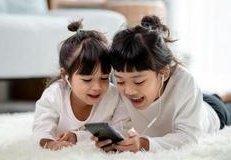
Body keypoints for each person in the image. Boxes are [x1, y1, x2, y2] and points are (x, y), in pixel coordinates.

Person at [93, 15, 231, 152]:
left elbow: (189, 137)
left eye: (139, 81)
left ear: (163, 73)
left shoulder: (184, 81)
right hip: (191, 99)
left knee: (223, 106)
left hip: (212, 111)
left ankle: (224, 98)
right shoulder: (119, 81)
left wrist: (144, 143)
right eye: (120, 81)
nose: (128, 90)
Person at [32, 20, 129, 150]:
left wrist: (77, 137)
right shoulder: (55, 95)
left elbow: (121, 131)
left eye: (104, 78)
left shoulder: (115, 96)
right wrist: (50, 143)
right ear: (65, 76)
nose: (97, 87)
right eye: (87, 80)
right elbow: (41, 129)